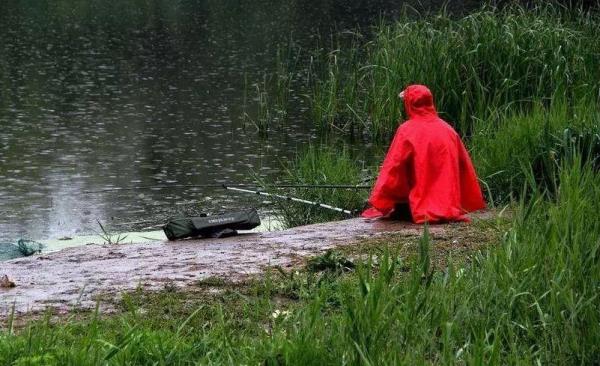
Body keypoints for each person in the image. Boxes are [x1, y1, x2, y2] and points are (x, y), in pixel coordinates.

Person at [362, 84, 485, 223]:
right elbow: (465, 168)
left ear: (410, 104)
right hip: (450, 204)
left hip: (418, 207)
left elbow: (393, 169)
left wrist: (380, 200)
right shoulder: (448, 130)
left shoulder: (406, 130)